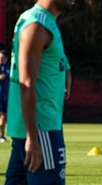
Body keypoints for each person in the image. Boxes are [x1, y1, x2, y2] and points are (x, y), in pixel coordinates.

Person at [4, 0, 74, 184]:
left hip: (35, 131)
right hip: (42, 132)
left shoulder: (45, 22)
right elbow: (26, 83)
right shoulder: (36, 25)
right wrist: (32, 137)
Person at [0, 43, 10, 143]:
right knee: (2, 115)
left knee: (3, 115)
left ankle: (2, 136)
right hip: (1, 94)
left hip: (5, 95)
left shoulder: (7, 67)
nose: (1, 59)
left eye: (3, 57)